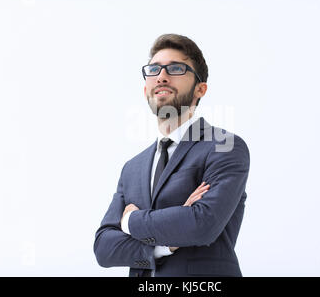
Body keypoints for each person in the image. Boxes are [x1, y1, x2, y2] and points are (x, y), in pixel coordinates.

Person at [93, 34, 250, 277]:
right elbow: (104, 248)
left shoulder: (224, 146)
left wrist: (130, 222)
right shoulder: (132, 168)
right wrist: (164, 246)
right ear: (146, 89)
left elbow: (202, 225)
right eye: (154, 69)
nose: (162, 76)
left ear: (200, 88)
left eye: (176, 68)